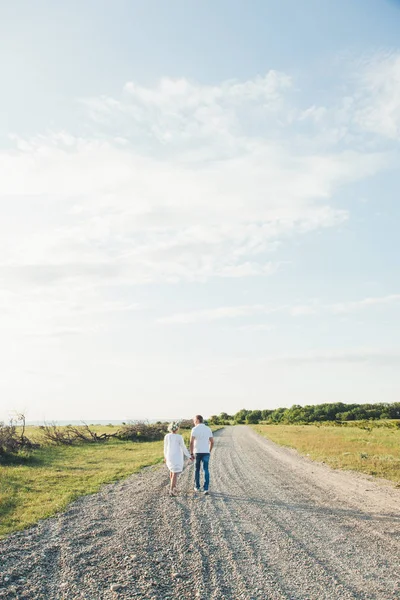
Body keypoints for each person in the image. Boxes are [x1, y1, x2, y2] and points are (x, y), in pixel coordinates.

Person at [164, 422, 192, 496]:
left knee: (171, 471)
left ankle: (173, 487)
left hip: (169, 456)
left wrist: (165, 456)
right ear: (177, 428)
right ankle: (172, 490)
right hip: (176, 456)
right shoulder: (179, 437)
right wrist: (189, 456)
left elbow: (165, 447)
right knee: (175, 473)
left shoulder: (167, 436)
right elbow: (183, 447)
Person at [190, 415, 214, 495]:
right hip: (206, 452)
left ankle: (197, 487)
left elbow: (191, 442)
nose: (193, 422)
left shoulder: (194, 429)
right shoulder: (208, 429)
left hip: (197, 452)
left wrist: (191, 453)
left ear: (197, 420)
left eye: (194, 420)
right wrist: (209, 450)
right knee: (206, 469)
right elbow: (212, 441)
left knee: (197, 469)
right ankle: (206, 488)